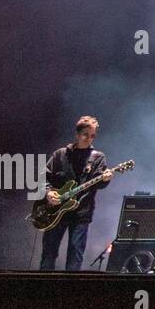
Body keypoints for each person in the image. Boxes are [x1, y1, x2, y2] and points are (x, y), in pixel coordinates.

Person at [40, 116, 113, 271]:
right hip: (55, 211)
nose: (89, 139)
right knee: (49, 254)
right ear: (78, 134)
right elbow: (43, 177)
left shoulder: (98, 157)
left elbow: (99, 184)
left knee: (75, 255)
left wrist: (105, 179)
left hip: (81, 213)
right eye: (86, 135)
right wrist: (49, 192)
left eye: (92, 136)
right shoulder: (60, 154)